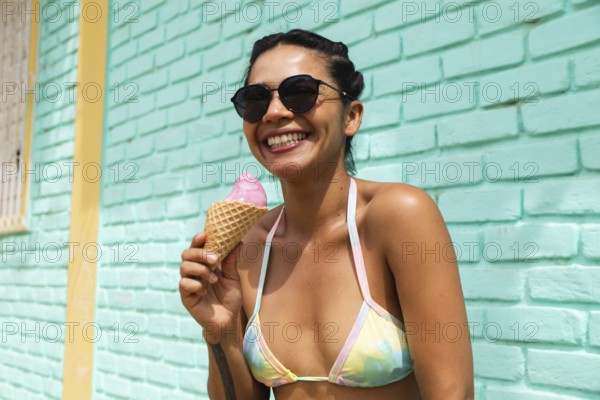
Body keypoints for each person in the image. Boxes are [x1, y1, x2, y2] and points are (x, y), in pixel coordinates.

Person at [180, 29, 474, 400]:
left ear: (351, 116)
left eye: (300, 92)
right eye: (255, 100)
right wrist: (219, 333)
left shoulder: (397, 216)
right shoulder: (251, 245)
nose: (274, 112)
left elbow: (454, 394)